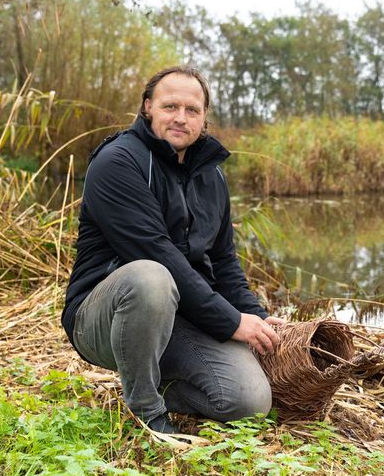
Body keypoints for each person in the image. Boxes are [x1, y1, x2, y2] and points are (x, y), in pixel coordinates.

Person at [61, 66, 283, 434]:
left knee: (249, 402)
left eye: (192, 110)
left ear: (204, 117)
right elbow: (156, 252)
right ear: (148, 107)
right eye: (170, 106)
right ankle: (146, 412)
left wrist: (253, 315)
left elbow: (224, 261)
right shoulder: (118, 162)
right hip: (105, 316)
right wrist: (230, 322)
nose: (181, 118)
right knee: (151, 276)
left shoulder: (212, 176)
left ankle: (155, 383)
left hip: (181, 315)